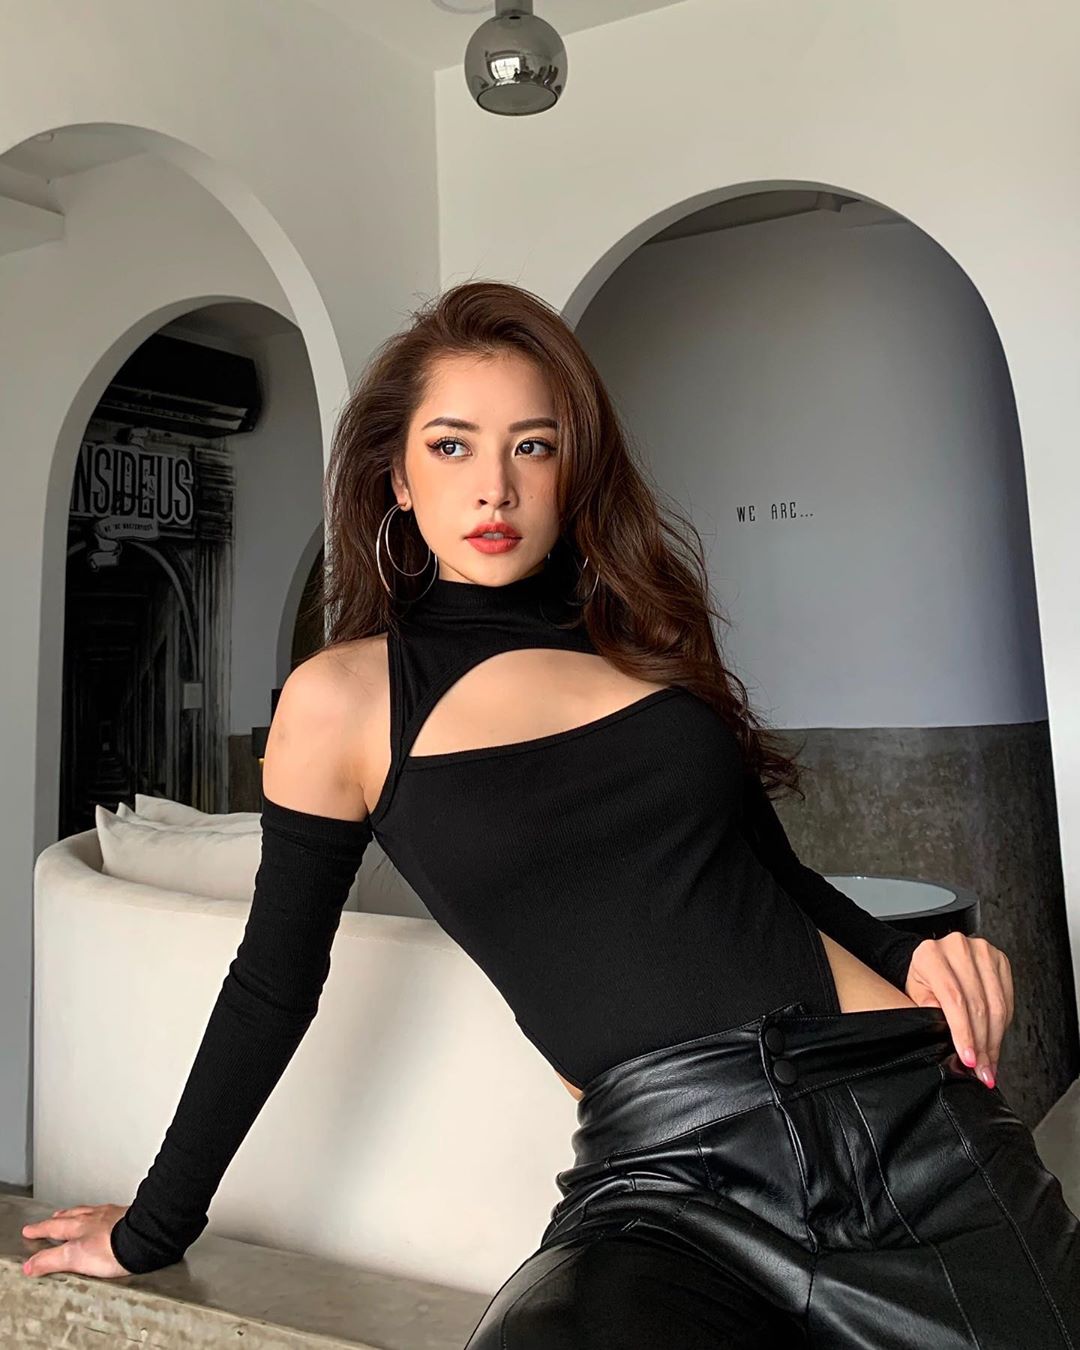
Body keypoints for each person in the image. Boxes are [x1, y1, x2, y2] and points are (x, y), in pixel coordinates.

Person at [21, 281, 1079, 1346]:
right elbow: (273, 979)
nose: (495, 486)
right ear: (397, 478)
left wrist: (917, 956)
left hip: (905, 1126)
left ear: (572, 471)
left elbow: (773, 879)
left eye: (533, 446)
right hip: (664, 1175)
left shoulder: (645, 647)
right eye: (452, 447)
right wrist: (154, 1226)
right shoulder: (346, 700)